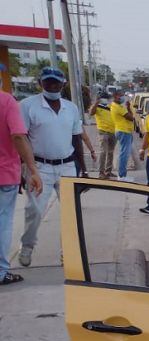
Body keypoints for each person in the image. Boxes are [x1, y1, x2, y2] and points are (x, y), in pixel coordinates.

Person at [17, 67, 86, 268]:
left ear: (63, 84)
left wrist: (81, 167)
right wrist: (23, 169)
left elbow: (76, 138)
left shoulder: (71, 108)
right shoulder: (28, 106)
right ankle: (27, 247)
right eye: (47, 82)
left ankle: (68, 251)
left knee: (71, 213)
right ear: (40, 83)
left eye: (56, 82)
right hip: (39, 167)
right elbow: (21, 138)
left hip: (67, 166)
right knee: (35, 211)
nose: (52, 85)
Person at [0, 89, 43, 286]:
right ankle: (1, 272)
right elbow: (18, 136)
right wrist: (32, 169)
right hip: (4, 174)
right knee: (3, 223)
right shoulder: (6, 101)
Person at [110, 90, 136, 181]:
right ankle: (122, 176)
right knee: (124, 154)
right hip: (123, 131)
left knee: (124, 153)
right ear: (116, 96)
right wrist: (128, 108)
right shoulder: (118, 107)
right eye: (121, 96)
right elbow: (131, 117)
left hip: (124, 131)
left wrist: (128, 107)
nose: (122, 98)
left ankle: (122, 175)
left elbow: (130, 117)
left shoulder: (117, 106)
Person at [93, 90, 116, 178]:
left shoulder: (110, 106)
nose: (105, 100)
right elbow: (91, 112)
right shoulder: (97, 107)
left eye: (106, 98)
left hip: (113, 131)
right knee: (103, 152)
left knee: (110, 152)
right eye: (104, 98)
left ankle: (108, 171)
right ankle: (101, 172)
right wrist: (96, 103)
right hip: (103, 132)